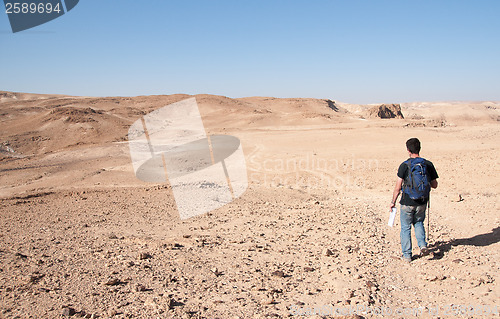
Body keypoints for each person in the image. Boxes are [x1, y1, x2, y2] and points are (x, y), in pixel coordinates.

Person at [390, 138, 438, 262]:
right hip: (422, 201)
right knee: (419, 223)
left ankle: (407, 255)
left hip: (407, 201)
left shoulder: (404, 165)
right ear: (419, 148)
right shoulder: (427, 164)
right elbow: (435, 185)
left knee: (405, 227)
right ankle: (422, 245)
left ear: (408, 150)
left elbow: (398, 187)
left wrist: (393, 202)